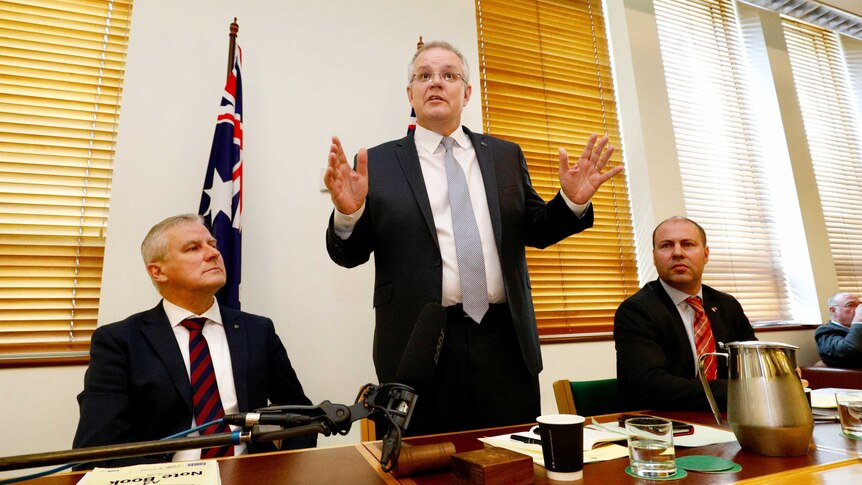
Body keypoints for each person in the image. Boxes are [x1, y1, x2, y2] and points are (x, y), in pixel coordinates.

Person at [324, 40, 623, 435]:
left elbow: (535, 228)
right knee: (426, 467)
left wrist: (570, 201)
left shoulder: (504, 155)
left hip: (504, 342)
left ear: (466, 92)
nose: (436, 83)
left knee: (514, 461)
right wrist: (349, 213)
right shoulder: (376, 163)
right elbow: (350, 255)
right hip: (419, 345)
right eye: (424, 76)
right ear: (409, 93)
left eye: (449, 75)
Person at [73, 214, 315, 468]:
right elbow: (97, 448)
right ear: (158, 271)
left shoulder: (257, 330)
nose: (212, 254)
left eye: (213, 245)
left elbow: (302, 415)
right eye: (193, 248)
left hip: (250, 473)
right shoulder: (119, 342)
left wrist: (287, 469)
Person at [614, 216, 756, 410]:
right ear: (654, 256)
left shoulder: (727, 305)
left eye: (688, 244)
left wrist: (777, 375)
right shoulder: (636, 311)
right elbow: (652, 387)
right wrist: (741, 390)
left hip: (732, 419)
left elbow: (755, 365)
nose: (678, 253)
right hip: (665, 427)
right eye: (666, 246)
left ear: (706, 254)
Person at [815, 292, 862, 368]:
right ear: (834, 311)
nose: (858, 309)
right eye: (850, 305)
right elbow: (849, 350)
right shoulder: (825, 331)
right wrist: (857, 321)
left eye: (859, 305)